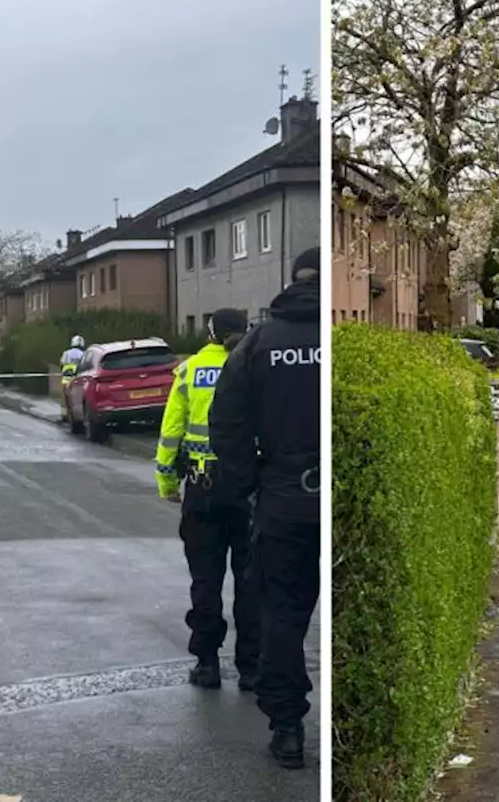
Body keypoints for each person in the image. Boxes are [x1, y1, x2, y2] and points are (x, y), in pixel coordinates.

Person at [210, 247, 320, 770]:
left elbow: (226, 424)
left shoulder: (258, 344)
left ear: (291, 280)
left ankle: (288, 728)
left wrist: (250, 486)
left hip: (282, 499)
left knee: (281, 613)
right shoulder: (340, 342)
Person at [153, 309, 260, 692]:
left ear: (211, 334)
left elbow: (170, 434)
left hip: (202, 488)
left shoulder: (189, 371)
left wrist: (167, 482)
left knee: (206, 580)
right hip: (248, 490)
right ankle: (250, 668)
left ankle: (207, 663)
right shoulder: (255, 367)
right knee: (250, 582)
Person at [59, 335, 85, 422]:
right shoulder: (83, 354)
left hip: (66, 378)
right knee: (76, 398)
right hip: (77, 378)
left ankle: (65, 415)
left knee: (65, 397)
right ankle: (75, 415)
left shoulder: (66, 353)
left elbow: (62, 363)